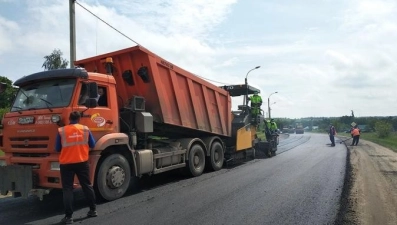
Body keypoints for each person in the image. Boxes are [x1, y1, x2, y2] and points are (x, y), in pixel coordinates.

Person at [55, 111, 97, 224]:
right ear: (79, 119)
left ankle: (68, 217)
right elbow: (93, 145)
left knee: (67, 189)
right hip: (82, 162)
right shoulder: (85, 129)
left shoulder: (62, 131)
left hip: (66, 164)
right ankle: (93, 210)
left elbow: (57, 148)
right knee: (87, 186)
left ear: (69, 118)